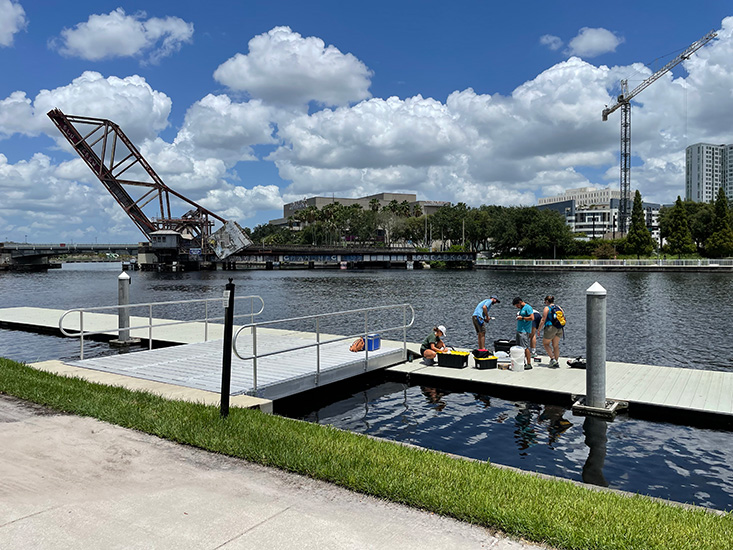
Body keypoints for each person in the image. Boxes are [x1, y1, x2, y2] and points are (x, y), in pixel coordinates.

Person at [540, 295, 563, 368]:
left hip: (550, 327)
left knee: (545, 344)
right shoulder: (559, 307)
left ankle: (552, 359)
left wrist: (539, 329)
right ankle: (556, 361)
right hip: (559, 328)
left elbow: (543, 319)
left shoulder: (547, 308)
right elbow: (563, 316)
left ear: (547, 301)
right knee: (555, 345)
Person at [512, 296, 533, 370]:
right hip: (519, 330)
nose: (517, 307)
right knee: (519, 347)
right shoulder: (521, 309)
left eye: (517, 305)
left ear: (520, 302)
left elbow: (532, 318)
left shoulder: (528, 307)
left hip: (524, 331)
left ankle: (529, 363)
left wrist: (522, 318)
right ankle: (521, 362)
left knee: (525, 347)